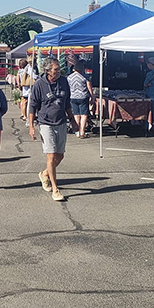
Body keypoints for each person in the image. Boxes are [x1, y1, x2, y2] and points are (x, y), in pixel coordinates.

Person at [29, 58, 79, 202]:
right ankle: (55, 189)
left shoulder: (64, 81)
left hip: (61, 122)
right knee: (50, 156)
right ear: (47, 71)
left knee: (60, 156)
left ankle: (44, 174)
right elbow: (32, 105)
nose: (58, 72)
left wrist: (73, 120)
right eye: (56, 69)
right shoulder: (39, 84)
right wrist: (31, 126)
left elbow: (67, 102)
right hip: (45, 123)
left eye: (59, 69)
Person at [68, 60, 94, 138]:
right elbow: (89, 87)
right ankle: (82, 131)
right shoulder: (85, 77)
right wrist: (92, 96)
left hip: (73, 97)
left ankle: (77, 131)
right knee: (84, 115)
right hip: (83, 97)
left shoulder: (69, 77)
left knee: (76, 114)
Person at [142, 57, 154, 133]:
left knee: (150, 110)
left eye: (148, 64)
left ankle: (150, 126)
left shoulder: (151, 73)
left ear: (151, 64)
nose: (147, 65)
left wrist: (147, 84)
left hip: (151, 92)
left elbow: (145, 83)